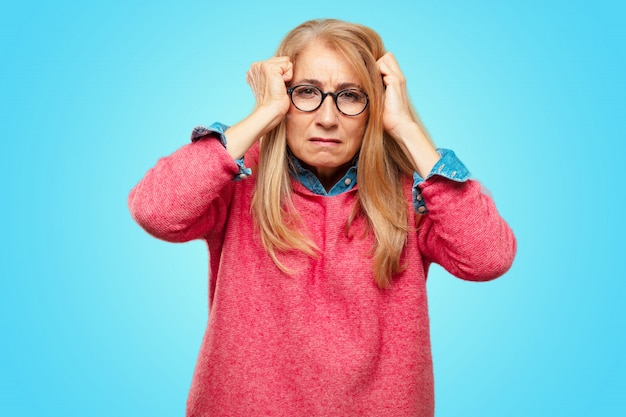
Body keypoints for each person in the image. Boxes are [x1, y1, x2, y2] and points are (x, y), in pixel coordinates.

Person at [128, 18, 516, 417]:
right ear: (282, 96)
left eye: (350, 96)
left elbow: (489, 258)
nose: (328, 118)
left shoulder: (415, 192)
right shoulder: (237, 176)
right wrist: (262, 115)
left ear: (376, 106)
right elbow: (155, 211)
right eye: (306, 93)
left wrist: (406, 128)